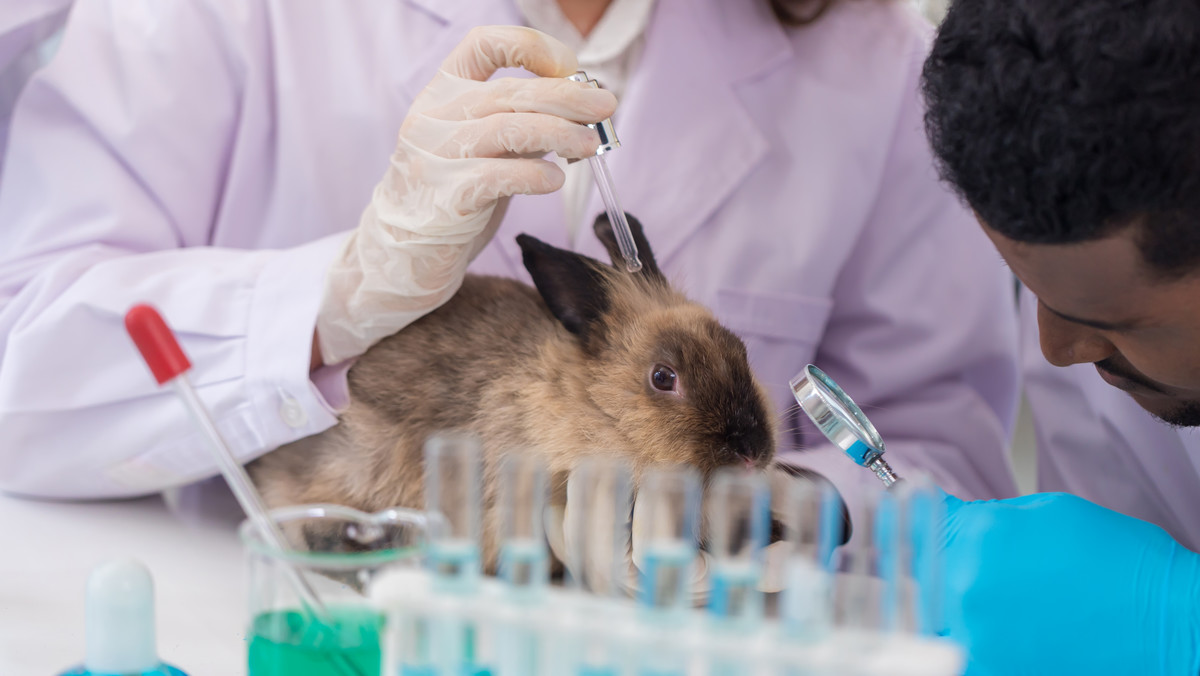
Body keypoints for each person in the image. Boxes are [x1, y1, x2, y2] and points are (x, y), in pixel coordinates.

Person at [0, 0, 1018, 533]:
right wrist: (335, 304)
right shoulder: (218, 14)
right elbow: (22, 365)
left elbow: (944, 455)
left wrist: (800, 511)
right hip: (290, 630)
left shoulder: (877, 67)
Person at [922, 0, 1200, 672]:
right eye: (1035, 295)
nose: (1056, 348)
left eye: (1110, 322)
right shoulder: (1089, 286)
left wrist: (1180, 620)